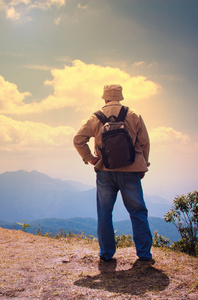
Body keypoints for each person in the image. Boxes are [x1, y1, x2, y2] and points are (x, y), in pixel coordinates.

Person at [73, 84, 153, 263]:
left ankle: (107, 253)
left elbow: (78, 140)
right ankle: (144, 254)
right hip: (130, 171)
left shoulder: (95, 117)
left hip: (105, 172)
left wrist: (90, 158)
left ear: (104, 98)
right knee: (138, 211)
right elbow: (145, 143)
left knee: (105, 212)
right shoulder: (133, 115)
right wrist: (142, 165)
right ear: (121, 97)